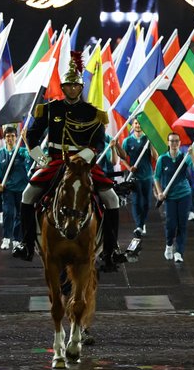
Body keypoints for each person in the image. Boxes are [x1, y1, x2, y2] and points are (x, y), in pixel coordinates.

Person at [13, 53, 125, 272]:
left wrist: (87, 156)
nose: (72, 89)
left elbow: (99, 142)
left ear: (80, 87)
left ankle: (111, 250)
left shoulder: (93, 112)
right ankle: (25, 243)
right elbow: (33, 136)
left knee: (112, 199)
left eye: (75, 85)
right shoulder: (50, 108)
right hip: (55, 161)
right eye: (68, 85)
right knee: (27, 195)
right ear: (62, 87)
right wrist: (41, 159)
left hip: (84, 163)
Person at [154, 132, 194, 263]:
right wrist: (159, 193)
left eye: (176, 141)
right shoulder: (162, 159)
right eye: (172, 141)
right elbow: (156, 177)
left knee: (182, 224)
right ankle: (169, 245)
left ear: (180, 143)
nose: (174, 144)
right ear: (168, 143)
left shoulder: (185, 157)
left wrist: (192, 155)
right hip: (169, 196)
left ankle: (179, 251)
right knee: (171, 224)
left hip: (184, 194)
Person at [0, 126, 30, 251]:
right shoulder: (1, 153)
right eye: (8, 136)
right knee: (8, 213)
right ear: (4, 138)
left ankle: (16, 239)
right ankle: (6, 238)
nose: (10, 138)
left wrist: (25, 141)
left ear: (16, 138)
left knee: (20, 215)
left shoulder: (21, 151)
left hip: (21, 188)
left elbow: (32, 156)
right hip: (7, 189)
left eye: (13, 136)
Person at [123, 119, 156, 237]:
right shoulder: (127, 141)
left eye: (140, 123)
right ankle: (139, 226)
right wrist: (129, 167)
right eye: (136, 123)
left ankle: (142, 223)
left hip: (147, 176)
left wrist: (151, 144)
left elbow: (155, 156)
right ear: (133, 125)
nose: (138, 125)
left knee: (146, 203)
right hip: (135, 177)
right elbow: (122, 157)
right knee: (136, 201)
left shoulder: (147, 140)